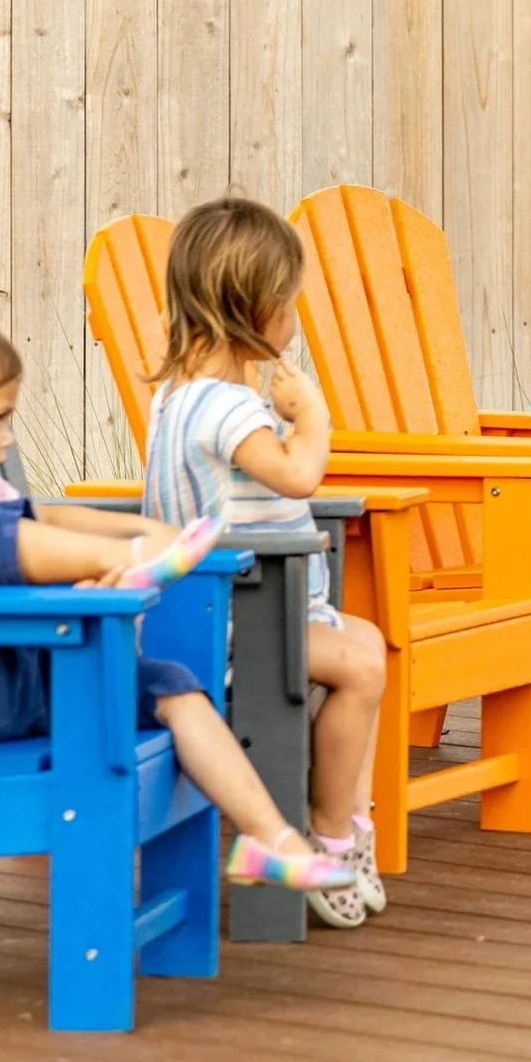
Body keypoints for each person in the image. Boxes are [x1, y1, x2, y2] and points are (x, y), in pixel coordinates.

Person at [0, 303, 353, 894]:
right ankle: (124, 568)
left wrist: (148, 534)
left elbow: (49, 513)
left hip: (28, 683)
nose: (7, 440)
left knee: (173, 687)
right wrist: (70, 593)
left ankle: (269, 840)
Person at [144, 196, 392, 928]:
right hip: (237, 628)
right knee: (364, 664)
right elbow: (297, 478)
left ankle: (352, 816)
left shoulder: (175, 397)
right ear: (253, 310)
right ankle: (332, 830)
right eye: (289, 303)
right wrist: (311, 417)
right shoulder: (231, 410)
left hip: (231, 612)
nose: (295, 318)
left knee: (369, 642)